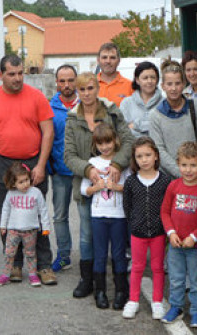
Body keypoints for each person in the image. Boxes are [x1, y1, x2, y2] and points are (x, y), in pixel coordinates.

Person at [0, 55, 57, 285]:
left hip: (32, 162)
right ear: (1, 75)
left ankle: (44, 265)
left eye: (20, 73)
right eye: (11, 74)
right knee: (7, 216)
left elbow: (48, 132)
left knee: (37, 215)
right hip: (2, 163)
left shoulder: (37, 97)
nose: (17, 78)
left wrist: (40, 165)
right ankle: (16, 264)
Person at [63, 72, 134, 297]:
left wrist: (117, 163)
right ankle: (88, 280)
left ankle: (117, 284)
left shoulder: (112, 111)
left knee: (116, 237)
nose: (86, 94)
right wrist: (89, 169)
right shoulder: (72, 118)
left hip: (114, 184)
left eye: (90, 88)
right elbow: (69, 155)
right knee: (87, 235)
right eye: (82, 90)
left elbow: (129, 140)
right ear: (77, 92)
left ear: (97, 89)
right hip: (87, 185)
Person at [160, 142, 197, 327]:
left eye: (193, 165)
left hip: (195, 246)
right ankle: (176, 306)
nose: (188, 170)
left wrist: (195, 237)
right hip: (175, 244)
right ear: (178, 164)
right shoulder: (173, 186)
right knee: (176, 278)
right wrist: (171, 233)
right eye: (184, 165)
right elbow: (165, 212)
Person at [79, 124, 130, 310]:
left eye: (108, 142)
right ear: (95, 144)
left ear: (115, 140)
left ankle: (120, 291)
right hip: (98, 216)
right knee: (99, 253)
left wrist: (117, 187)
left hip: (118, 217)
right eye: (100, 143)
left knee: (118, 254)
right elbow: (84, 190)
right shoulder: (93, 163)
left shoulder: (121, 162)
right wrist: (97, 187)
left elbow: (131, 187)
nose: (105, 147)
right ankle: (100, 291)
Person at [121, 137, 171, 319]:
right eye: (139, 156)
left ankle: (157, 301)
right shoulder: (131, 182)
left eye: (148, 155)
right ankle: (133, 300)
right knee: (137, 266)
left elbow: (168, 206)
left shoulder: (165, 181)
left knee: (158, 267)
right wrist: (135, 222)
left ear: (156, 156)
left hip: (158, 233)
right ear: (135, 159)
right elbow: (127, 206)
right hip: (138, 233)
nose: (144, 159)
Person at [148, 60, 197, 179]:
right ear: (163, 86)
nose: (173, 88)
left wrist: (193, 168)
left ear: (184, 84)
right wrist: (182, 171)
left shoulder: (195, 107)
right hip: (169, 179)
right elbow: (159, 150)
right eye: (169, 84)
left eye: (177, 83)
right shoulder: (155, 115)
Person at [0, 163, 50, 287]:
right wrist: (3, 226)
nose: (25, 184)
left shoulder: (36, 193)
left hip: (31, 230)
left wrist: (46, 227)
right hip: (13, 230)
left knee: (30, 253)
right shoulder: (11, 194)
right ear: (13, 183)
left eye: (27, 180)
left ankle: (33, 274)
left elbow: (43, 210)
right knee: (9, 253)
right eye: (21, 182)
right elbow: (5, 209)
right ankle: (6, 274)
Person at [48, 64, 79, 272]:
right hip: (60, 171)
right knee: (60, 216)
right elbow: (46, 139)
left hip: (84, 171)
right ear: (57, 82)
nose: (66, 85)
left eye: (70, 80)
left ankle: (91, 255)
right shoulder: (49, 108)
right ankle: (63, 254)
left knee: (88, 216)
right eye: (62, 81)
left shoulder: (87, 103)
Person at [120, 61, 164, 138]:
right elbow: (122, 130)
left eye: (153, 77)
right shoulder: (126, 103)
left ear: (157, 80)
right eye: (145, 78)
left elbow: (164, 128)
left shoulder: (164, 103)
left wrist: (136, 125)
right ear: (137, 80)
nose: (149, 81)